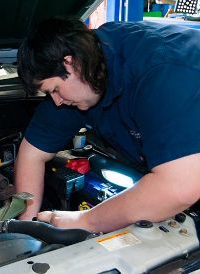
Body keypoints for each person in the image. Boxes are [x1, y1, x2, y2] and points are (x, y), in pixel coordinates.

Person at [15, 17, 200, 233]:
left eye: (54, 89)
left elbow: (179, 189)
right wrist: (27, 226)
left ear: (70, 63)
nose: (56, 101)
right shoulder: (83, 79)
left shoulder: (161, 73)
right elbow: (32, 153)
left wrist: (84, 220)